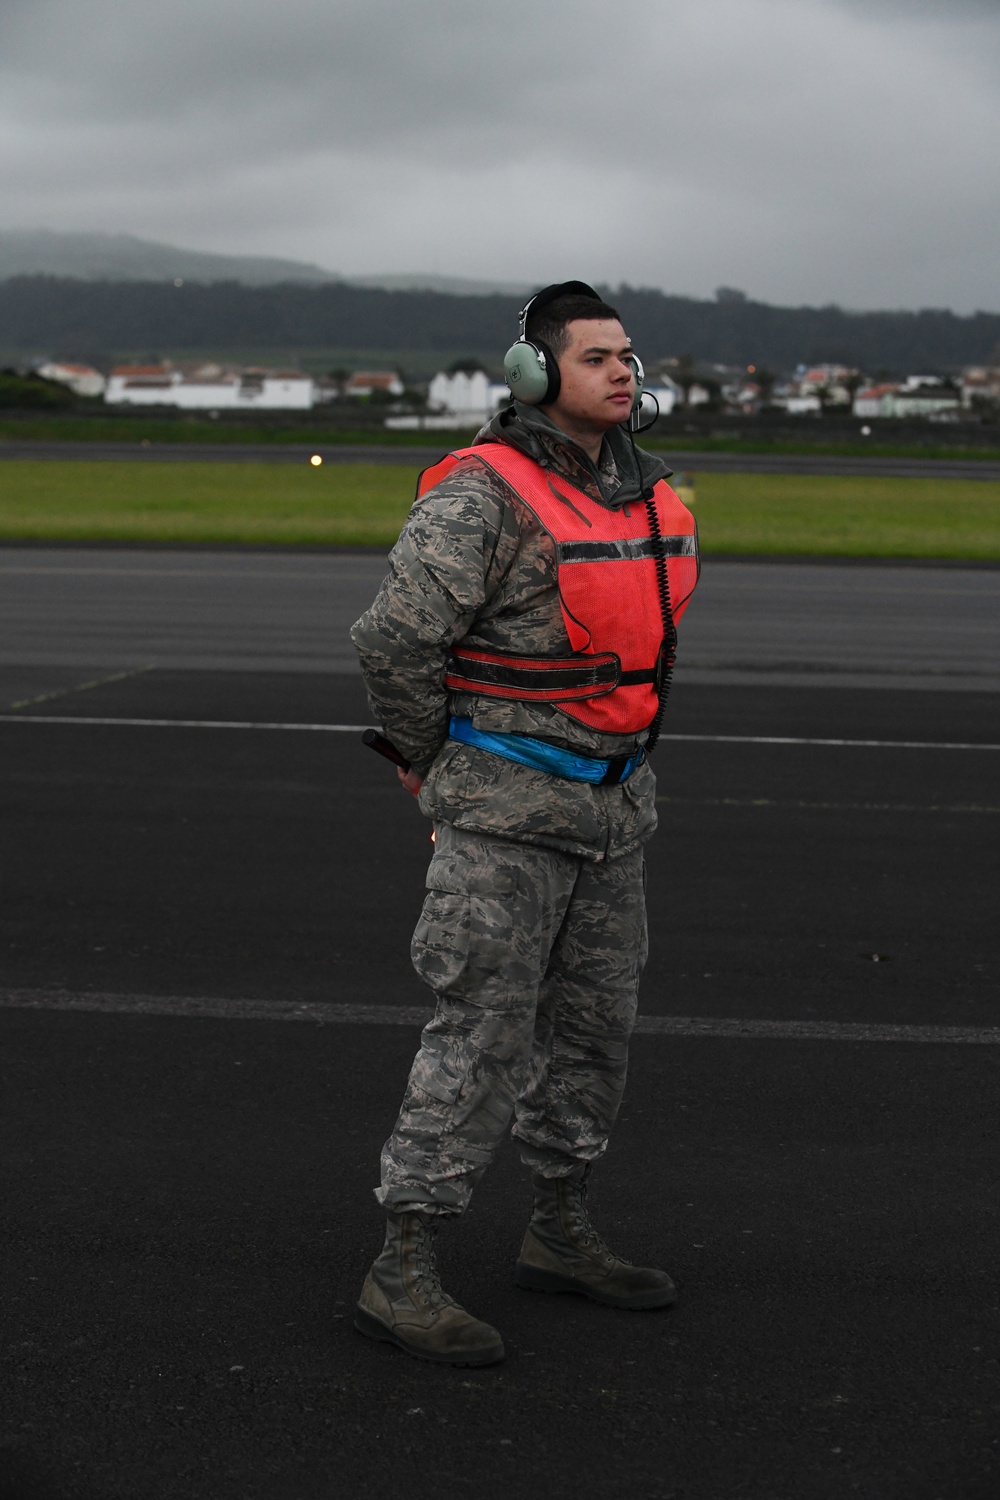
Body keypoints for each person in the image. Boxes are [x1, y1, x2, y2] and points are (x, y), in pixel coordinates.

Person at [350, 281, 699, 1367]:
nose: (623, 373)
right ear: (535, 375)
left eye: (629, 356)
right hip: (504, 815)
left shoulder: (645, 494)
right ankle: (401, 1264)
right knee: (481, 1037)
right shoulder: (480, 496)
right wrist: (427, 765)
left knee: (593, 1036)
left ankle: (559, 1228)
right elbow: (393, 644)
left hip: (612, 813)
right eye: (597, 357)